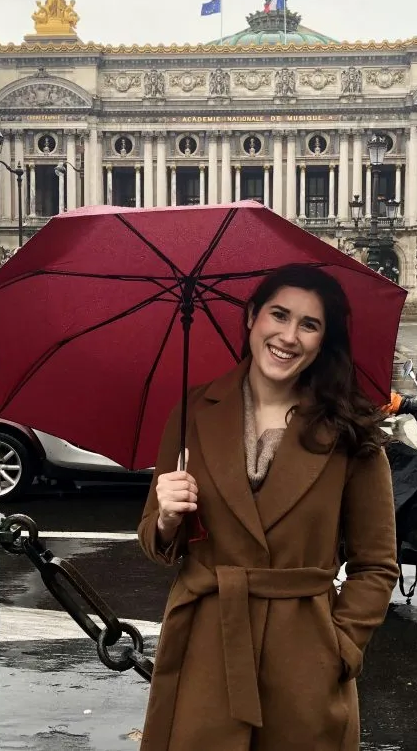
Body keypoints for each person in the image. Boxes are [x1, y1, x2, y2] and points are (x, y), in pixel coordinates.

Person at [137, 264, 400, 751]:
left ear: (324, 341)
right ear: (252, 317)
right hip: (203, 652)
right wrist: (167, 516)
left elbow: (376, 566)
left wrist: (338, 649)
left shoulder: (351, 431)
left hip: (304, 658)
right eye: (278, 315)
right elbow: (158, 541)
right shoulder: (192, 410)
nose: (288, 336)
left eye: (309, 324)